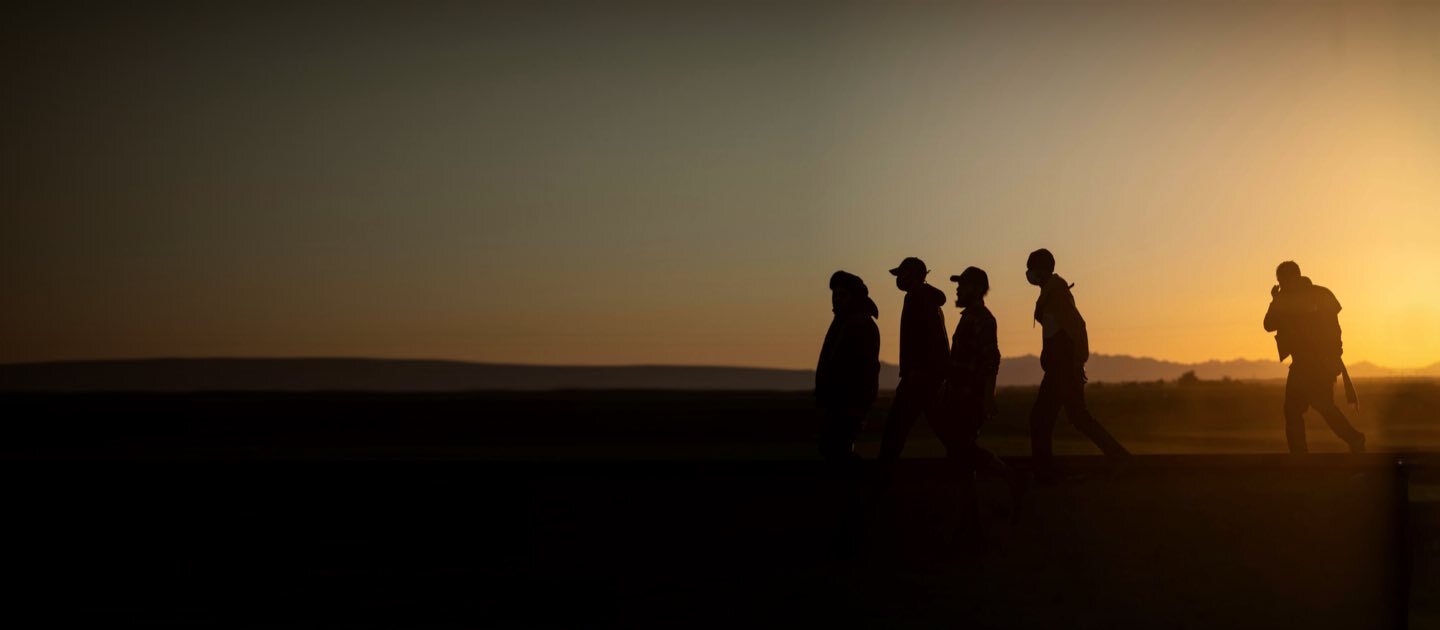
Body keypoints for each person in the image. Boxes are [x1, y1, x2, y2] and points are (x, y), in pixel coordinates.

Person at [1024, 249, 1129, 481]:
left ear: (1041, 270)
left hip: (1063, 368)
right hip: (1061, 367)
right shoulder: (1051, 293)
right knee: (1077, 417)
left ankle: (1044, 472)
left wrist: (1076, 362)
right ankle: (1120, 458)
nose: (1028, 274)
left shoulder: (1057, 295)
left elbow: (1077, 327)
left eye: (1031, 268)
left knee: (1041, 419)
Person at [1263, 261, 1365, 454]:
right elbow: (1268, 325)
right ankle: (1303, 454)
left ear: (1292, 278)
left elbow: (1334, 330)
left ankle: (1351, 440)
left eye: (1282, 281)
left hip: (1317, 366)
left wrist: (1278, 300)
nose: (1281, 285)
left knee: (1316, 408)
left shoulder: (1312, 297)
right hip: (1306, 365)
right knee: (1303, 410)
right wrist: (1277, 300)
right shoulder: (1295, 298)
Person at [878, 257, 957, 467]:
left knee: (894, 433)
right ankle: (966, 464)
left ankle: (880, 483)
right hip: (925, 378)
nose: (898, 279)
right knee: (946, 432)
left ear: (912, 275)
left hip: (919, 379)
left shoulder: (919, 299)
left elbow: (932, 339)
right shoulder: (922, 298)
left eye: (901, 274)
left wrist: (918, 372)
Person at [815, 271, 882, 462]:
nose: (836, 299)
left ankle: (861, 487)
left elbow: (868, 369)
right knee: (834, 453)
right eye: (834, 295)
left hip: (846, 405)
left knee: (839, 455)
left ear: (855, 297)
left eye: (842, 295)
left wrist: (858, 406)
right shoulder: (843, 321)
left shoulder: (860, 324)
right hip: (835, 404)